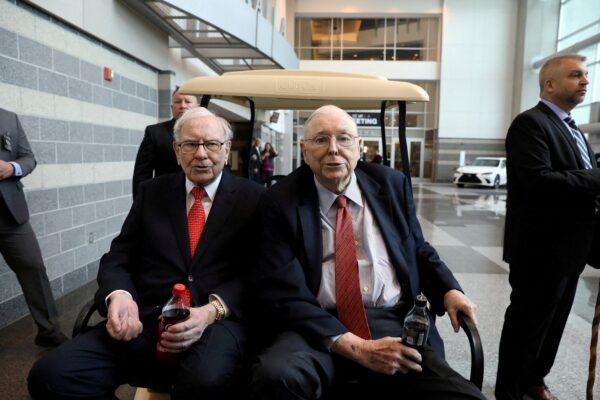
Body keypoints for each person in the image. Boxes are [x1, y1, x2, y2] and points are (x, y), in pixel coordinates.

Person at [250, 105, 485, 400]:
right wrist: (357, 348)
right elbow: (281, 290)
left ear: (359, 146)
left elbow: (418, 249)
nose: (333, 149)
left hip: (389, 320)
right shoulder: (278, 201)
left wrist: (449, 289)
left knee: (465, 396)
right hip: (315, 325)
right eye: (321, 140)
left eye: (344, 138)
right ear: (305, 150)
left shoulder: (391, 185)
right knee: (276, 377)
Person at [28, 107, 265, 400]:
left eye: (211, 144)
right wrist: (120, 295)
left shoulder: (254, 199)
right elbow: (119, 256)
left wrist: (211, 311)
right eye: (190, 144)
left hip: (214, 326)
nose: (201, 154)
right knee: (50, 376)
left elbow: (260, 272)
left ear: (226, 149)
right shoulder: (152, 192)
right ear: (177, 151)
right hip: (145, 321)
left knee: (203, 382)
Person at [495, 54, 600, 400]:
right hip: (540, 249)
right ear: (550, 84)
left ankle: (534, 380)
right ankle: (510, 390)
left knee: (554, 324)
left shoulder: (572, 128)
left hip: (572, 249)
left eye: (586, 75)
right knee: (527, 324)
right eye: (576, 75)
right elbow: (539, 181)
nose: (585, 81)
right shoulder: (530, 124)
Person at [0, 108, 68, 348]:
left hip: (11, 215)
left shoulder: (8, 118)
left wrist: (12, 168)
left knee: (33, 266)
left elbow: (28, 158)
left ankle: (48, 331)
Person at [132, 87, 199, 197]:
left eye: (187, 101)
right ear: (172, 107)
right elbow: (142, 174)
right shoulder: (155, 132)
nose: (182, 105)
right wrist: (140, 205)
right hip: (164, 198)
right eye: (178, 102)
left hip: (201, 199)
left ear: (197, 106)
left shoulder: (209, 131)